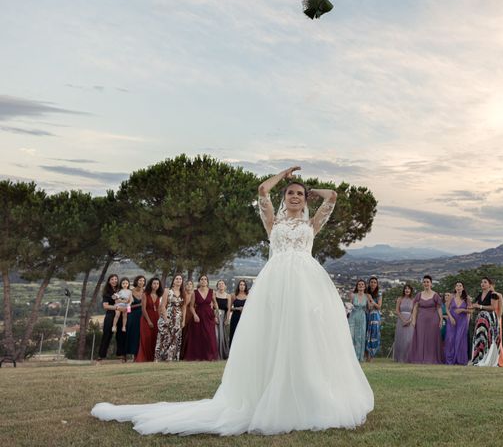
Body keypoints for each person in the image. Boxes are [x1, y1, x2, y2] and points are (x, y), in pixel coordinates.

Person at [92, 165, 373, 435]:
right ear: (284, 198)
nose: (296, 197)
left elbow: (333, 197)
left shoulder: (312, 224)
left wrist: (311, 189)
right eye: (291, 193)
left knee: (305, 336)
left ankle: (307, 394)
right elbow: (263, 190)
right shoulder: (272, 221)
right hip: (275, 283)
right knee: (274, 335)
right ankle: (269, 393)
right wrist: (284, 176)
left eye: (300, 194)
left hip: (306, 284)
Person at [407, 275, 443, 364]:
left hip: (433, 320)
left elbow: (439, 308)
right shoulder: (419, 295)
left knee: (431, 339)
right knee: (420, 338)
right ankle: (419, 357)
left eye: (428, 282)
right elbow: (415, 308)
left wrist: (441, 319)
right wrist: (413, 319)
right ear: (423, 284)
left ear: (431, 284)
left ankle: (431, 358)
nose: (426, 283)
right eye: (424, 282)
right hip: (421, 320)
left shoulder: (435, 295)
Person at [184, 275, 219, 361]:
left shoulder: (212, 292)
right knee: (198, 337)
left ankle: (210, 356)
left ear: (207, 281)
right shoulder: (194, 292)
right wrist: (195, 315)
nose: (203, 281)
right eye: (201, 279)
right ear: (199, 281)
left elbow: (215, 304)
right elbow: (191, 306)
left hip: (209, 316)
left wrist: (216, 315)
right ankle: (198, 356)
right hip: (198, 316)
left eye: (205, 279)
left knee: (209, 336)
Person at [470, 277, 500, 367]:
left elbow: (493, 307)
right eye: (481, 282)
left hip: (490, 319)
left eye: (485, 282)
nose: (482, 284)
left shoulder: (493, 294)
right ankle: (478, 358)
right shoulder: (480, 294)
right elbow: (474, 305)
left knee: (488, 338)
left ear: (489, 284)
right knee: (480, 338)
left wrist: (480, 306)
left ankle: (488, 359)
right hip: (481, 320)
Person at [154, 274, 185, 361]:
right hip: (168, 315)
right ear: (173, 281)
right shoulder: (167, 291)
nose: (178, 280)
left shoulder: (183, 293)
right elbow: (163, 305)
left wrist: (183, 320)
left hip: (178, 318)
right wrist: (165, 318)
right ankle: (159, 358)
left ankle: (171, 358)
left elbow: (184, 307)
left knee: (175, 338)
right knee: (164, 337)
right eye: (177, 279)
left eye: (180, 279)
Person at [96, 274, 127, 362]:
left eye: (115, 279)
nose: (114, 281)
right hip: (110, 314)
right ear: (109, 281)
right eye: (112, 279)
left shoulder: (122, 290)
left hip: (121, 314)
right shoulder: (106, 292)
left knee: (121, 334)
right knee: (107, 335)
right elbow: (105, 306)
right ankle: (101, 356)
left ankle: (121, 355)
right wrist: (117, 307)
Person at [135, 278, 162, 362]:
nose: (156, 285)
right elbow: (143, 309)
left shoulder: (159, 295)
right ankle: (144, 358)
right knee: (146, 338)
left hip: (156, 318)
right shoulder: (145, 294)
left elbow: (159, 309)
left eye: (157, 284)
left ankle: (152, 358)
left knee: (154, 338)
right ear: (150, 284)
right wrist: (149, 321)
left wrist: (160, 319)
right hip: (146, 319)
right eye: (154, 283)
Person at [444, 281, 470, 365]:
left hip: (462, 321)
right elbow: (447, 308)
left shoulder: (467, 298)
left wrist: (462, 310)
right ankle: (450, 360)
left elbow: (471, 310)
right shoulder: (451, 297)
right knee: (450, 340)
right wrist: (450, 318)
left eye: (460, 285)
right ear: (455, 288)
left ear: (463, 288)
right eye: (457, 286)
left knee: (460, 340)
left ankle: (460, 360)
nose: (458, 287)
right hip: (452, 320)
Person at [348, 279, 370, 362]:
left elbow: (369, 308)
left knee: (360, 336)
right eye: (359, 284)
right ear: (357, 286)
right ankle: (351, 356)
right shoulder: (353, 295)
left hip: (362, 317)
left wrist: (371, 302)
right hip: (353, 316)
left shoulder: (367, 296)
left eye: (362, 284)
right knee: (351, 335)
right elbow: (349, 305)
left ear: (365, 286)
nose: (361, 285)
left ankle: (359, 356)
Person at [125, 275, 145, 360]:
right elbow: (127, 307)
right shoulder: (130, 292)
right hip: (132, 316)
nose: (141, 282)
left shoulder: (145, 292)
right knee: (132, 335)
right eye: (140, 280)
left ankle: (138, 355)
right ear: (136, 281)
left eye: (143, 281)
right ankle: (128, 354)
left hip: (143, 316)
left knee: (140, 335)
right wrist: (138, 305)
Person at [393, 284, 414, 362]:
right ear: (404, 290)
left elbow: (414, 312)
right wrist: (403, 320)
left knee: (409, 339)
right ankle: (399, 358)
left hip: (410, 321)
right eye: (405, 289)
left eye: (408, 289)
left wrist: (409, 320)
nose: (407, 290)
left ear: (411, 290)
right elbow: (397, 310)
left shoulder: (413, 300)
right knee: (400, 339)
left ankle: (408, 358)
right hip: (401, 321)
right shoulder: (400, 299)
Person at [489, 280, 503, 367]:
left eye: (490, 285)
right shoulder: (488, 296)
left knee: (497, 339)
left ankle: (500, 360)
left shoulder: (498, 295)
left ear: (493, 285)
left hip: (496, 318)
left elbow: (501, 308)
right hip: (489, 319)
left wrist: (498, 319)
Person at [365, 276, 382, 361]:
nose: (373, 284)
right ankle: (366, 355)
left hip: (375, 317)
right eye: (371, 282)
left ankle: (372, 356)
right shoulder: (366, 293)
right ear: (369, 283)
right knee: (367, 334)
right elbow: (368, 307)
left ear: (377, 284)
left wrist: (371, 300)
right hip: (367, 315)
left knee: (374, 335)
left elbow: (379, 307)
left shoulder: (379, 294)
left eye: (375, 282)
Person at [214, 280, 231, 360]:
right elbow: (212, 305)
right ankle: (215, 354)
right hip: (215, 315)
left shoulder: (228, 296)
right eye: (219, 284)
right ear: (217, 286)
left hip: (223, 316)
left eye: (222, 284)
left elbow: (228, 309)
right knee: (216, 335)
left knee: (222, 335)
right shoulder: (214, 294)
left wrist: (227, 319)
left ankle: (222, 354)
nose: (221, 285)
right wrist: (215, 316)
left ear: (225, 286)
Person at [229, 279, 248, 347]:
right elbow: (230, 308)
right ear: (238, 286)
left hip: (245, 318)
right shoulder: (233, 295)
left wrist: (244, 309)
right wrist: (237, 308)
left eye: (243, 285)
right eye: (241, 285)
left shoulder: (249, 296)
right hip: (235, 317)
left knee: (244, 333)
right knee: (234, 333)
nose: (242, 286)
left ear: (245, 286)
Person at [180, 279, 196, 360]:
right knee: (183, 335)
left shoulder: (195, 294)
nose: (189, 285)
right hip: (184, 316)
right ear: (185, 286)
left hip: (193, 316)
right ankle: (182, 354)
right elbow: (183, 307)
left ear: (193, 286)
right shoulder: (183, 294)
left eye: (190, 284)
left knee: (191, 336)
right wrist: (183, 319)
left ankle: (190, 353)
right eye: (187, 284)